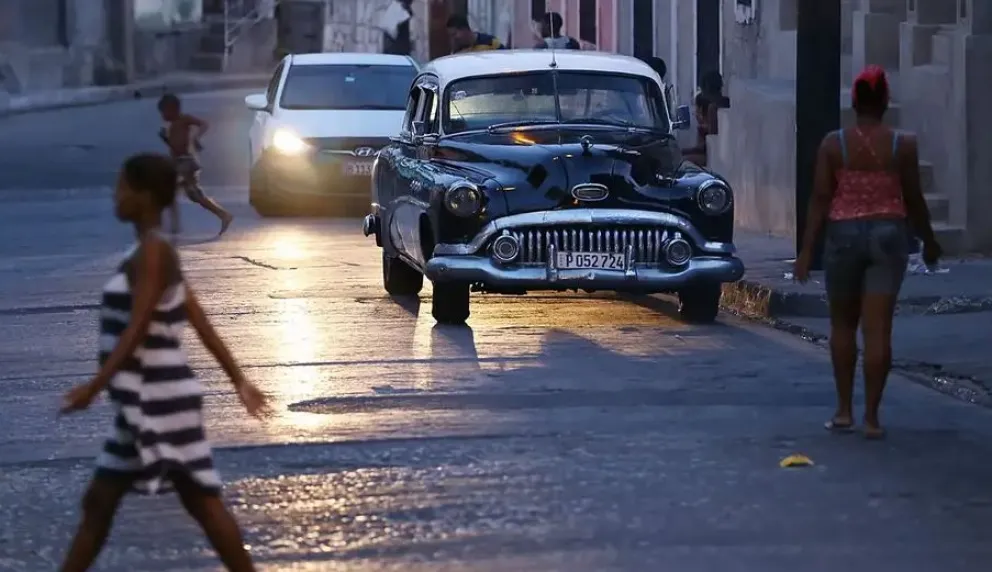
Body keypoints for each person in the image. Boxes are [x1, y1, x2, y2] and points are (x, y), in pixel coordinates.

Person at [58, 153, 268, 571]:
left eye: (122, 188)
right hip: (150, 401)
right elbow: (200, 320)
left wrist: (93, 388)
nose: (115, 196)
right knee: (107, 502)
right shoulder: (151, 252)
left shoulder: (153, 254)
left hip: (159, 402)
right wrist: (238, 380)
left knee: (197, 502)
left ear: (145, 197)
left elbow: (138, 326)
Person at [794, 65, 941, 439]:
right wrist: (929, 241)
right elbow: (914, 199)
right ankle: (872, 418)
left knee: (843, 325)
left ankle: (844, 411)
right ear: (885, 102)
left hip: (842, 236)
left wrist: (806, 252)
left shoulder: (833, 144)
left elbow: (820, 199)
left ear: (855, 101)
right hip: (889, 235)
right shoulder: (902, 145)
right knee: (878, 331)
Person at [157, 94, 234, 235]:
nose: (162, 116)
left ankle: (173, 226)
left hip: (185, 163)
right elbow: (175, 147)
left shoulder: (184, 119)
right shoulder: (173, 125)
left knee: (169, 189)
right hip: (180, 162)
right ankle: (223, 215)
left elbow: (204, 124)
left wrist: (196, 136)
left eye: (163, 112)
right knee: (195, 196)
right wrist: (166, 139)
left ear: (172, 109)